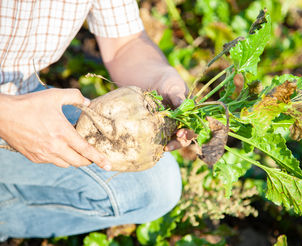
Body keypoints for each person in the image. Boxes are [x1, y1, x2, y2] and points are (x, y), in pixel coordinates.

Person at [0, 0, 191, 239]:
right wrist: (5, 114)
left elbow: (124, 44)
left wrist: (163, 80)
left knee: (154, 186)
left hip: (24, 95)